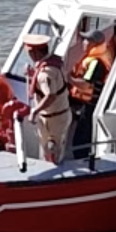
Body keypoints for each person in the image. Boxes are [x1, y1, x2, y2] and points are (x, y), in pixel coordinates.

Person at [68, 23, 116, 157]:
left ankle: (83, 161)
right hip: (83, 104)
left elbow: (86, 85)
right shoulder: (92, 59)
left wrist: (68, 79)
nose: (83, 42)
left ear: (93, 43)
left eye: (86, 40)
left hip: (90, 106)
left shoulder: (96, 63)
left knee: (81, 141)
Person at [24, 32, 70, 163]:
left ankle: (55, 169)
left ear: (35, 53)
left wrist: (35, 110)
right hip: (61, 114)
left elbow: (50, 95)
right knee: (51, 148)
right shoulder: (55, 62)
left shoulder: (45, 74)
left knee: (52, 151)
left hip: (53, 120)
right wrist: (33, 74)